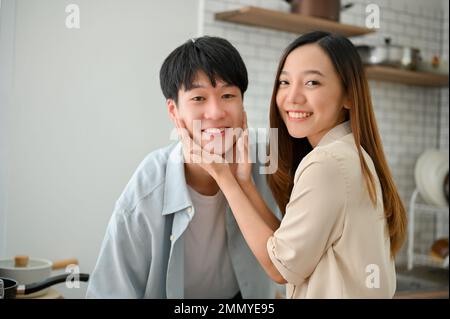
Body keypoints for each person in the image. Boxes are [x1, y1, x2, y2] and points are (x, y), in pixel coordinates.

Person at [177, 31, 407, 298]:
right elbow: (289, 249)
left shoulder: (326, 164)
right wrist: (245, 184)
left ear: (349, 96)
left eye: (311, 82)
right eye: (284, 82)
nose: (292, 97)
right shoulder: (348, 154)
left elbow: (280, 267)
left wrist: (222, 176)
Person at [86, 36, 280, 299]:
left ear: (242, 103)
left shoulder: (265, 161)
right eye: (199, 98)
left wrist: (238, 182)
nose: (215, 112)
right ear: (174, 111)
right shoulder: (150, 182)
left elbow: (290, 260)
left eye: (228, 95)